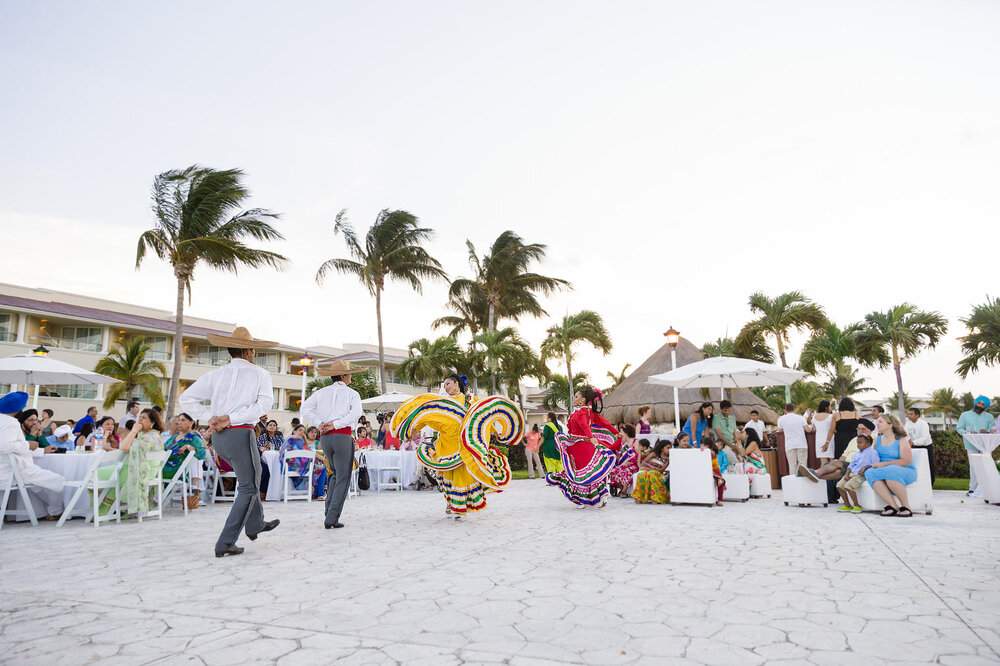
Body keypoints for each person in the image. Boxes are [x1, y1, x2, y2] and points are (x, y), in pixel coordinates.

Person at [178, 326, 280, 558]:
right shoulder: (260, 374)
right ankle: (226, 541)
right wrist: (229, 418)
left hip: (220, 438)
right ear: (249, 351)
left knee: (250, 480)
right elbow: (263, 406)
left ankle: (256, 524)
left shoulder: (217, 373)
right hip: (240, 433)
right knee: (248, 486)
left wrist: (210, 419)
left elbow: (186, 398)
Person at [392, 373, 518, 519]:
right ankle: (451, 503)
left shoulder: (470, 400)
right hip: (446, 444)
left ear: (457, 384)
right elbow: (429, 415)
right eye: (444, 385)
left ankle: (458, 506)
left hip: (463, 444)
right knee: (448, 475)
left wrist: (494, 431)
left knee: (462, 476)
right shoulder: (443, 402)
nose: (446, 387)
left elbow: (482, 417)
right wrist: (414, 430)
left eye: (448, 384)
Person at [301, 360, 362, 529]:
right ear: (343, 375)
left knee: (334, 474)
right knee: (343, 477)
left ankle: (329, 512)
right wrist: (335, 424)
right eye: (349, 374)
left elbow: (305, 409)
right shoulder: (352, 393)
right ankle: (331, 518)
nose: (350, 377)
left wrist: (319, 423)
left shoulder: (321, 392)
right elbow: (356, 413)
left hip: (326, 439)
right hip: (342, 436)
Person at [545, 385, 624, 508]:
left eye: (576, 397)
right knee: (587, 473)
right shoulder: (589, 411)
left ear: (582, 400)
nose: (574, 398)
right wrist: (616, 432)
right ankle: (602, 495)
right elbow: (604, 422)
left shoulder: (582, 412)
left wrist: (591, 437)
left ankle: (584, 500)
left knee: (579, 473)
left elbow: (584, 425)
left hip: (579, 445)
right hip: (582, 443)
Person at [0, 392, 64, 520]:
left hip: (6, 469)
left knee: (36, 487)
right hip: (13, 471)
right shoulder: (11, 423)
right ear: (19, 409)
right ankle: (55, 512)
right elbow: (5, 446)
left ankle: (53, 511)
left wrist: (38, 450)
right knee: (58, 480)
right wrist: (27, 445)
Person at [100, 408, 165, 517]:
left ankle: (103, 511)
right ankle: (111, 510)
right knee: (106, 471)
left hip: (140, 471)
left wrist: (134, 430)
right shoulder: (146, 435)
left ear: (152, 423)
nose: (139, 420)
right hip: (140, 468)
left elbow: (124, 447)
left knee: (97, 474)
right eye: (139, 417)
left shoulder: (150, 437)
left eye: (144, 418)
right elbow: (125, 448)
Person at [865, 414, 918, 517]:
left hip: (903, 469)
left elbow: (906, 461)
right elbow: (874, 457)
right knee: (870, 472)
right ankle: (893, 506)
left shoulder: (901, 440)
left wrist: (884, 464)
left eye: (880, 422)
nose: (877, 424)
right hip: (884, 468)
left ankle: (906, 506)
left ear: (890, 425)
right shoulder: (878, 440)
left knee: (891, 471)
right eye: (878, 421)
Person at [799, 418, 874, 482]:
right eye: (858, 429)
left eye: (863, 429)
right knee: (838, 471)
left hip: (859, 465)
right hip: (848, 465)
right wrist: (838, 464)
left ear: (870, 430)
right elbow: (844, 456)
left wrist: (837, 463)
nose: (860, 431)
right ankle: (812, 475)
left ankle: (814, 473)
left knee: (835, 462)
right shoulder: (854, 440)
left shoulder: (874, 439)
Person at [162, 412, 207, 510]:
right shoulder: (175, 437)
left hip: (175, 470)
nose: (179, 423)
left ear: (191, 422)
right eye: (178, 420)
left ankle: (152, 501)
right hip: (165, 466)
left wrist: (188, 446)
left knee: (148, 472)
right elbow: (164, 449)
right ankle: (153, 500)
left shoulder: (194, 438)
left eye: (183, 420)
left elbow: (202, 455)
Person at [956, 396, 995, 498]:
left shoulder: (989, 417)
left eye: (983, 405)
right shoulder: (965, 415)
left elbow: (993, 430)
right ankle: (972, 489)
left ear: (985, 407)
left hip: (985, 445)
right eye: (979, 403)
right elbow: (959, 428)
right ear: (975, 403)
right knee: (973, 467)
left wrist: (986, 431)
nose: (980, 406)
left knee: (986, 466)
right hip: (971, 444)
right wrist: (968, 433)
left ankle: (986, 489)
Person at [824, 397, 861, 503]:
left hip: (840, 441)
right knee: (851, 464)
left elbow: (831, 430)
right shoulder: (857, 415)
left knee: (837, 466)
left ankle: (833, 496)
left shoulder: (837, 415)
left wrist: (827, 443)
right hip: (854, 442)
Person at [835, 434, 879, 513]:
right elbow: (851, 465)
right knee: (839, 485)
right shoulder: (857, 453)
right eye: (857, 443)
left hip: (861, 475)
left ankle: (857, 506)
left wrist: (866, 467)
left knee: (848, 486)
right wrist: (847, 474)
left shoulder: (872, 452)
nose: (858, 445)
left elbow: (876, 464)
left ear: (868, 444)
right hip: (852, 474)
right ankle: (847, 505)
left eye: (860, 443)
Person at [633, 439, 670, 504]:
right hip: (649, 470)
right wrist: (649, 466)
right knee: (642, 474)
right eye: (667, 448)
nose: (669, 450)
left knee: (651, 474)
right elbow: (644, 462)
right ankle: (639, 497)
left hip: (658, 473)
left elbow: (661, 470)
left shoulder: (667, 459)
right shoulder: (653, 454)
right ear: (662, 448)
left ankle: (655, 498)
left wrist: (652, 469)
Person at [776, 403, 809, 475]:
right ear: (794, 410)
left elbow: (779, 430)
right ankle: (803, 482)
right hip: (801, 444)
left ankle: (793, 483)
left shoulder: (781, 419)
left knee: (792, 465)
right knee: (803, 466)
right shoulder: (800, 418)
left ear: (785, 410)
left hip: (789, 445)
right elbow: (808, 430)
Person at [279, 424, 313, 493]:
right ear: (294, 431)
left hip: (290, 466)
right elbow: (308, 453)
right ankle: (319, 493)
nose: (302, 433)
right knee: (320, 467)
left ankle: (317, 491)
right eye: (300, 430)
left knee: (318, 465)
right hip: (293, 466)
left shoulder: (291, 439)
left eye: (303, 431)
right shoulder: (295, 439)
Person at [905, 407, 934, 484]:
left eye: (911, 414)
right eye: (908, 414)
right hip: (913, 446)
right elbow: (905, 435)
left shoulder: (923, 424)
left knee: (928, 465)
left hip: (926, 446)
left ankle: (930, 483)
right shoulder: (907, 424)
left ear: (917, 415)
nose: (909, 416)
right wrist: (909, 442)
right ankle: (918, 483)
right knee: (916, 465)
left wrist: (913, 442)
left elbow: (924, 438)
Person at [608, 424, 638, 497]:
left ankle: (624, 491)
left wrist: (630, 461)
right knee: (612, 471)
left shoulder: (635, 441)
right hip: (623, 464)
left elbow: (638, 455)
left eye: (621, 432)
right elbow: (613, 448)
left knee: (626, 470)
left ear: (626, 432)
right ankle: (621, 489)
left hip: (634, 464)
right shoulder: (622, 443)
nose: (619, 433)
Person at [702, 437, 726, 506]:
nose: (718, 445)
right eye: (717, 443)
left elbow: (724, 464)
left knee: (721, 482)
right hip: (705, 470)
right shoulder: (704, 450)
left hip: (715, 471)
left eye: (721, 444)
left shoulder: (713, 452)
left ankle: (720, 500)